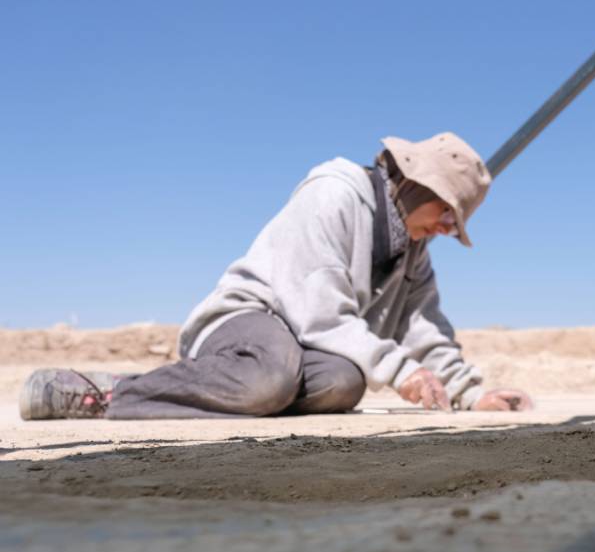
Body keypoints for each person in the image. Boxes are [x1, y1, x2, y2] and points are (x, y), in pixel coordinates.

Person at [22, 132, 532, 419]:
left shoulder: (413, 253)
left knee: (343, 383)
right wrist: (403, 373)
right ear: (420, 188)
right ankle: (107, 393)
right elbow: (321, 312)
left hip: (301, 346)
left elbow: (426, 330)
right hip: (248, 319)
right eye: (447, 214)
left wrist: (470, 393)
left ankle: (247, 399)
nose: (446, 230)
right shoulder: (334, 195)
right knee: (270, 374)